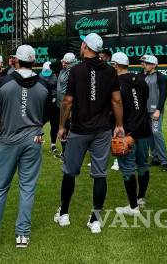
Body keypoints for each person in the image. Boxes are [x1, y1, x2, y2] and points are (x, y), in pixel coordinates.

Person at [0, 45, 51, 248]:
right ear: (34, 61)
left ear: (15, 60)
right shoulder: (43, 85)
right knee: (27, 188)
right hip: (33, 140)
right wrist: (34, 127)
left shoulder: (3, 83)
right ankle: (22, 236)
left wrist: (5, 126)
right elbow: (47, 114)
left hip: (8, 139)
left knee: (0, 187)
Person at [54, 33, 124, 234]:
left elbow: (67, 101)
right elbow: (116, 100)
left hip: (79, 129)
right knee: (99, 174)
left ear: (85, 46)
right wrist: (119, 125)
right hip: (102, 129)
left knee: (70, 171)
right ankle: (95, 220)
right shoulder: (110, 70)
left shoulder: (76, 70)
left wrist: (61, 126)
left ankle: (64, 214)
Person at [110, 52, 151, 216]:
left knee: (127, 168)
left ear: (115, 65)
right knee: (143, 164)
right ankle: (141, 198)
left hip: (127, 131)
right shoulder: (141, 79)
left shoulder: (116, 82)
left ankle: (133, 207)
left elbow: (115, 105)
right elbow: (143, 100)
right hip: (143, 129)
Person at [141, 55, 167, 171]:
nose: (144, 65)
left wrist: (158, 110)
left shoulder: (160, 77)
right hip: (145, 111)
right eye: (144, 63)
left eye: (147, 63)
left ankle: (164, 162)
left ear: (154, 65)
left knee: (156, 132)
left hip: (155, 111)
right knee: (149, 134)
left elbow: (163, 94)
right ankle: (155, 157)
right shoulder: (143, 75)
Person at [55, 52, 76, 157]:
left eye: (66, 63)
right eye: (63, 62)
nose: (64, 64)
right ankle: (64, 151)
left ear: (72, 63)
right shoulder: (62, 70)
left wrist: (71, 109)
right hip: (61, 104)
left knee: (68, 129)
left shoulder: (73, 73)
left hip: (70, 106)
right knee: (62, 129)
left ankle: (69, 153)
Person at [39, 61, 59, 155]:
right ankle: (38, 140)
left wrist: (54, 97)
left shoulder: (56, 76)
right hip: (43, 105)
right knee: (39, 124)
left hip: (53, 104)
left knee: (54, 125)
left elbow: (57, 89)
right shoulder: (39, 76)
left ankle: (53, 144)